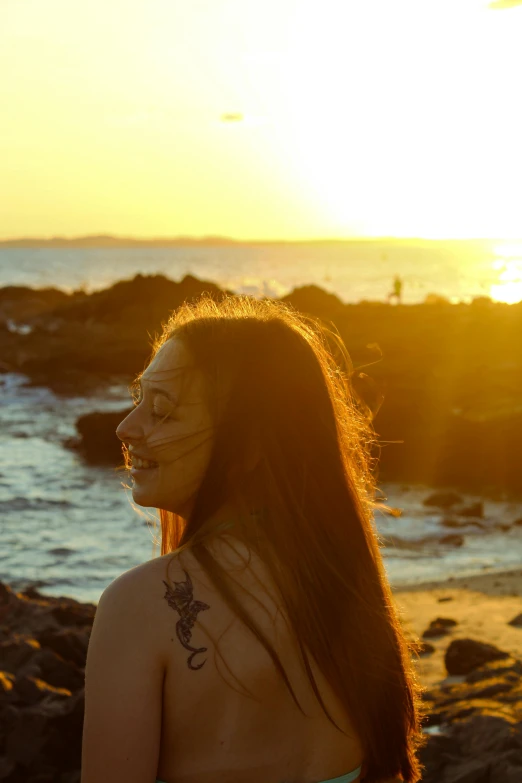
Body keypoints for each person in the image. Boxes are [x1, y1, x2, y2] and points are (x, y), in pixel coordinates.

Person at [81, 293, 427, 783]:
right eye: (139, 400)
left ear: (249, 447)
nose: (125, 427)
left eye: (161, 409)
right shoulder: (345, 586)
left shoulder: (138, 608)